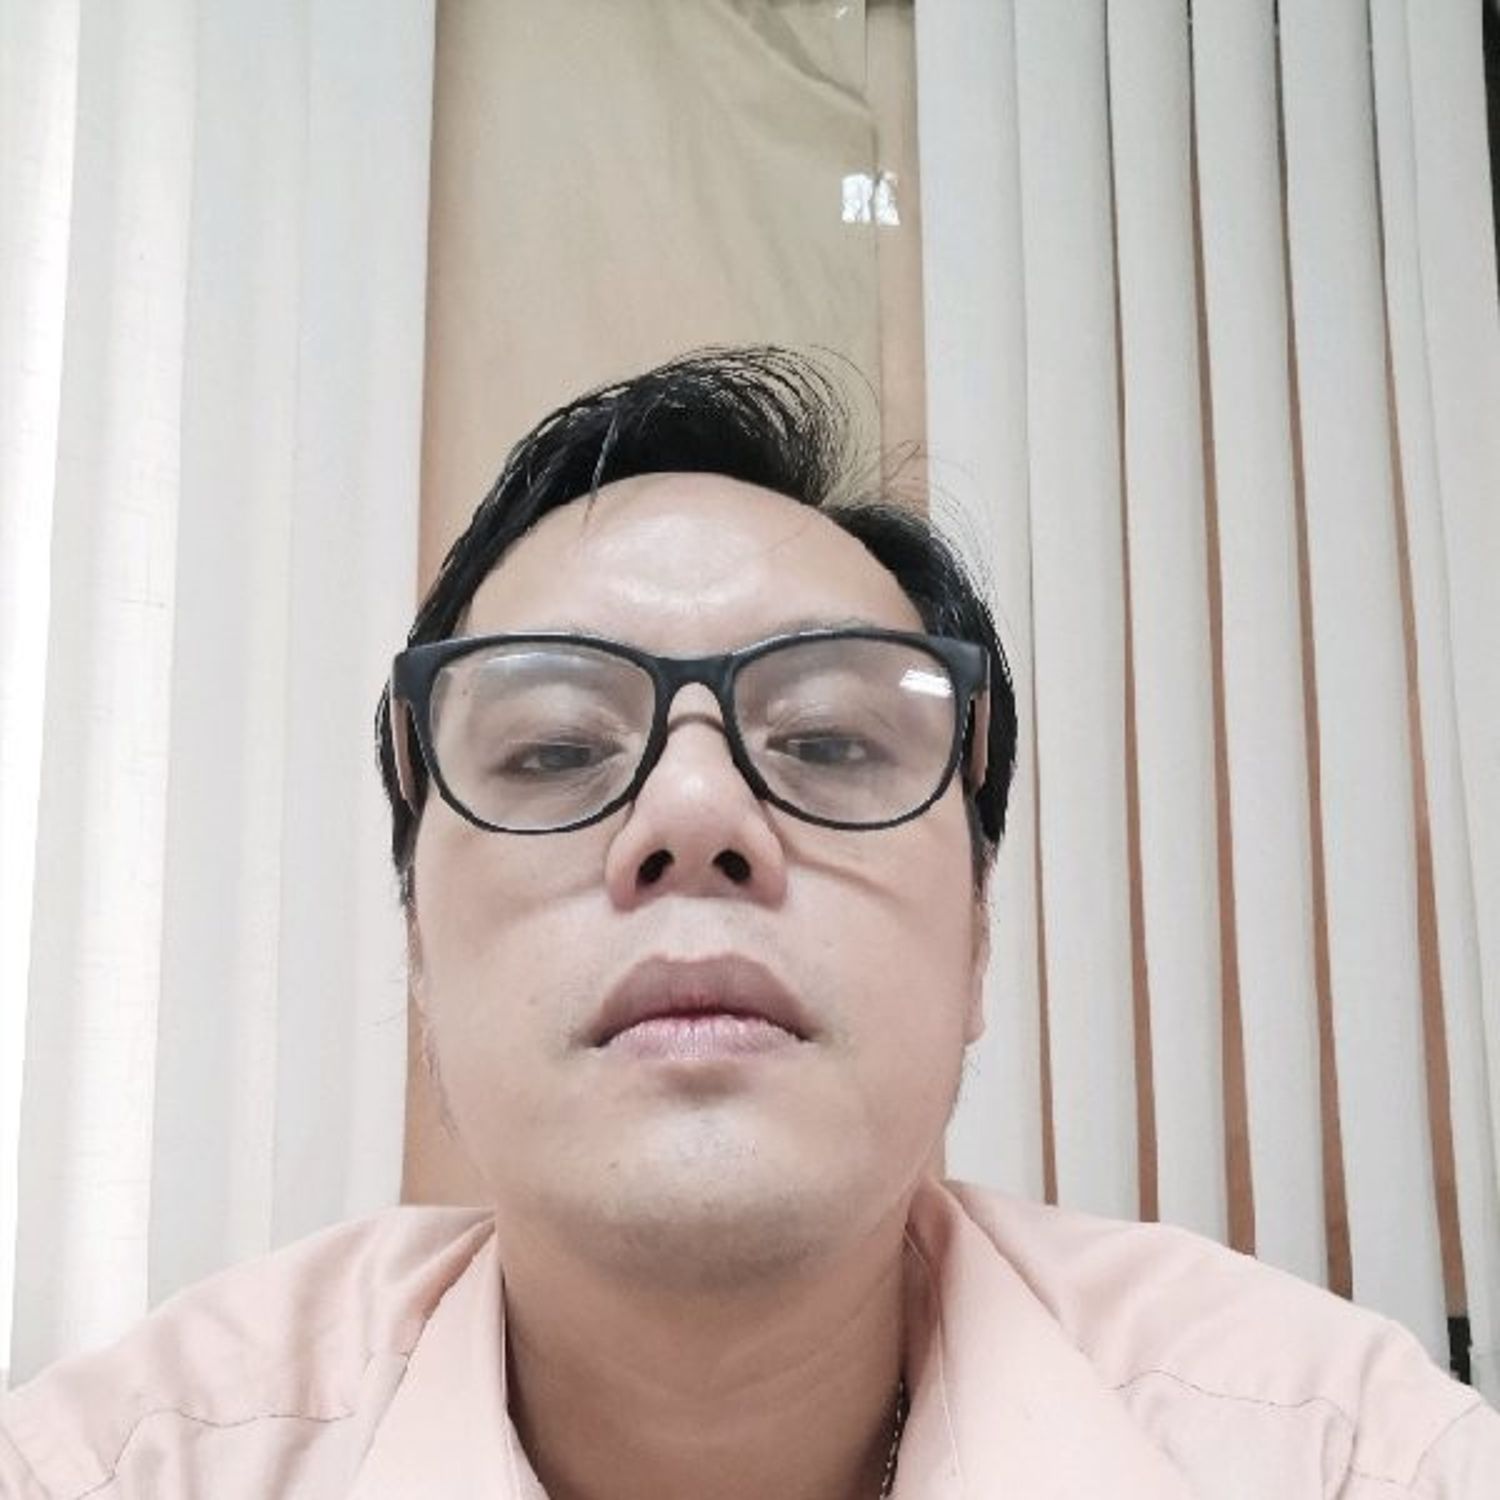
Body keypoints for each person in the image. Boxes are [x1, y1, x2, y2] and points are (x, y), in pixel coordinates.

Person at [1, 347, 1495, 1499]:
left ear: (978, 942)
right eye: (555, 750)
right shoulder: (123, 1468)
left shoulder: (1345, 1457)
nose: (696, 814)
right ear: (417, 955)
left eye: (831, 742)